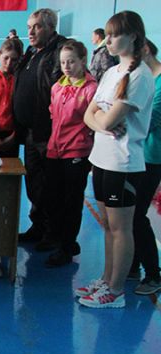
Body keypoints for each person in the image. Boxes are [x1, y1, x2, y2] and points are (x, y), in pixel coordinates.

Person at [79, 11, 154, 308]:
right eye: (106, 35)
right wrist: (101, 122)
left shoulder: (140, 76)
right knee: (108, 227)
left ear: (133, 36)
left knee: (121, 228)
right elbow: (89, 115)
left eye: (114, 35)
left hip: (122, 164)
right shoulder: (111, 73)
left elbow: (107, 119)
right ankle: (106, 279)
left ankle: (116, 290)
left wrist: (101, 120)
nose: (107, 41)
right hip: (100, 159)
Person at [13, 8, 66, 247]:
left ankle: (54, 234)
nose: (31, 32)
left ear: (51, 27)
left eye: (37, 26)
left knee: (52, 185)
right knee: (35, 183)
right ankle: (38, 227)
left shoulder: (60, 51)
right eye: (29, 27)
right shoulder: (32, 52)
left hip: (49, 132)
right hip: (31, 132)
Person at [44, 40, 97, 268]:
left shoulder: (91, 89)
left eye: (72, 61)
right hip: (54, 149)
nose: (66, 66)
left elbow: (94, 119)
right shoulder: (57, 87)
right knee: (53, 198)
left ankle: (66, 247)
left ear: (83, 61)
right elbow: (53, 115)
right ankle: (59, 239)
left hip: (77, 150)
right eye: (63, 62)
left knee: (72, 201)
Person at [130, 39, 161, 295]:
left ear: (146, 51)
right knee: (130, 213)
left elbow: (149, 122)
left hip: (152, 158)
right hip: (138, 156)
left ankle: (153, 274)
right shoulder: (146, 79)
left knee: (137, 215)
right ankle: (131, 265)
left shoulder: (158, 82)